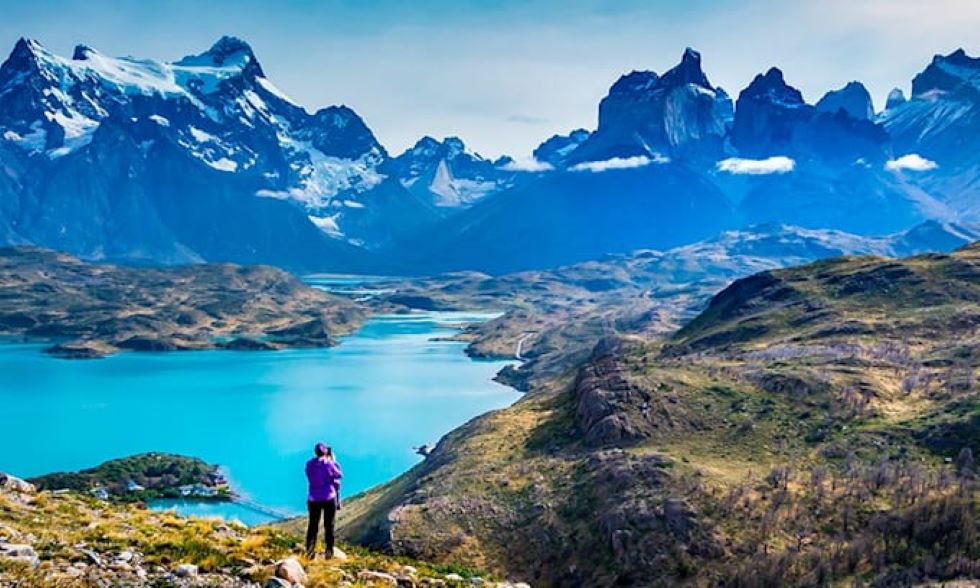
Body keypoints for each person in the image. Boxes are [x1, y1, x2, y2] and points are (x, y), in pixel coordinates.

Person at [305, 442, 342, 559]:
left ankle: (310, 552)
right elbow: (339, 475)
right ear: (326, 452)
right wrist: (333, 461)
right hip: (328, 498)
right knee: (329, 525)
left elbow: (309, 474)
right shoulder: (329, 464)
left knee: (313, 525)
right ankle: (329, 552)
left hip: (313, 498)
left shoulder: (309, 464)